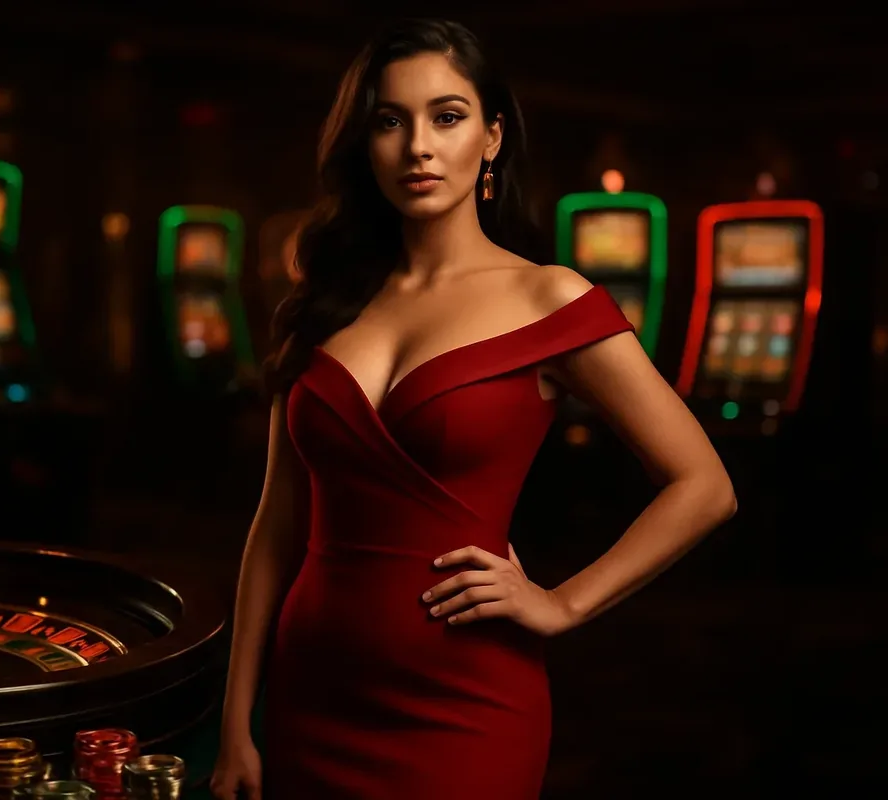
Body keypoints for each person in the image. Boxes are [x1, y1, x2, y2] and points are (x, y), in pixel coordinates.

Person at [210, 17, 736, 800]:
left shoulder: (548, 297)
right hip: (308, 695)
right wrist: (234, 723)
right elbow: (276, 525)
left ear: (490, 138)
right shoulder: (322, 301)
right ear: (365, 142)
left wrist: (563, 603)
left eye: (447, 117)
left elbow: (704, 485)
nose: (418, 145)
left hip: (464, 706)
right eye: (391, 121)